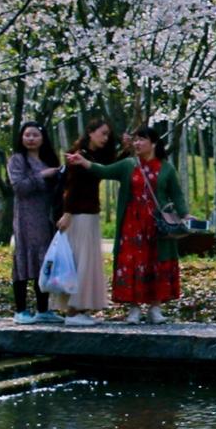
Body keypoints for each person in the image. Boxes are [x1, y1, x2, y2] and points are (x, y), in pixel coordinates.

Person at [106, 124, 188, 323]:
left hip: (156, 225)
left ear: (153, 143)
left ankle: (155, 308)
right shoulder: (128, 165)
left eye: (142, 139)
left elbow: (176, 193)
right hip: (132, 224)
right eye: (135, 139)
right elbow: (103, 170)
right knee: (132, 261)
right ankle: (133, 309)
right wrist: (83, 161)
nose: (137, 143)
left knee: (156, 261)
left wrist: (185, 214)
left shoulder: (166, 168)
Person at [56, 118, 131, 322]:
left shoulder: (91, 157)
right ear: (90, 132)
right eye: (102, 133)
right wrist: (68, 214)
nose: (105, 138)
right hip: (79, 215)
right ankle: (73, 311)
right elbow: (71, 188)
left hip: (89, 213)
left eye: (108, 135)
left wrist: (125, 150)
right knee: (81, 261)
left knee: (85, 262)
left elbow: (108, 169)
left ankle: (80, 310)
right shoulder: (79, 157)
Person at [5, 122, 64, 322]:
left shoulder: (49, 160)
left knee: (44, 261)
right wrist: (43, 175)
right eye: (27, 135)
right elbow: (19, 186)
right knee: (24, 260)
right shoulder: (17, 160)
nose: (30, 138)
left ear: (43, 138)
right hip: (26, 217)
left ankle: (43, 309)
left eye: (35, 135)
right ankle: (20, 309)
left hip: (46, 217)